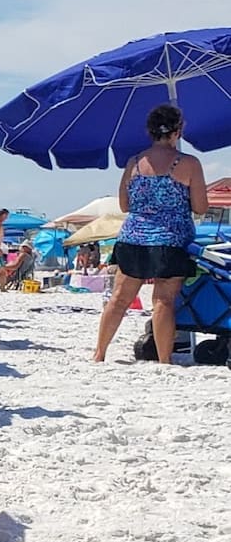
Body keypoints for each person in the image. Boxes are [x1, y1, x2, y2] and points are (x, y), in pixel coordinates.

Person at [93, 103, 208, 364]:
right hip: (171, 239)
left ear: (150, 131)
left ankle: (99, 353)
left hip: (133, 238)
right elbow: (201, 207)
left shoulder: (133, 163)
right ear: (178, 131)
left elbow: (124, 205)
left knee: (120, 299)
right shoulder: (188, 163)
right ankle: (165, 360)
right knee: (163, 301)